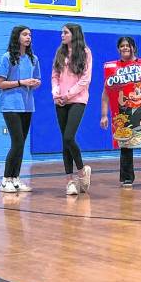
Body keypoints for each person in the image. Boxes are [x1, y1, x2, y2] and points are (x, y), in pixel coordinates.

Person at [100, 36, 141, 188]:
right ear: (118, 49)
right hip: (122, 113)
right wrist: (104, 115)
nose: (125, 48)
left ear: (133, 48)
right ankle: (127, 178)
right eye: (122, 46)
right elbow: (105, 94)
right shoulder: (111, 68)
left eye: (128, 45)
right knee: (125, 145)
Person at [0, 26, 41, 193]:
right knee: (17, 142)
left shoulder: (33, 59)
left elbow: (37, 79)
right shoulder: (7, 58)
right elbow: (0, 84)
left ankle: (15, 179)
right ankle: (5, 179)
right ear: (17, 37)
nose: (28, 37)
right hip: (10, 105)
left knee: (21, 144)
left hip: (28, 106)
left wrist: (35, 83)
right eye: (25, 34)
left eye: (30, 34)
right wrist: (22, 82)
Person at [51, 23, 93, 196]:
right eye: (62, 32)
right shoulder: (60, 52)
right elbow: (54, 76)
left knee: (69, 137)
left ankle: (82, 171)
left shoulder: (85, 53)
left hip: (77, 100)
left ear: (74, 34)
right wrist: (56, 93)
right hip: (60, 101)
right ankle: (70, 181)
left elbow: (85, 79)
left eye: (65, 32)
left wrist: (68, 94)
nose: (62, 35)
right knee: (64, 141)